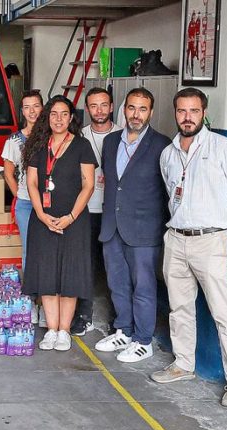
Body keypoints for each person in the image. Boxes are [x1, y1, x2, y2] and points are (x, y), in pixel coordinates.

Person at [151, 88, 227, 408]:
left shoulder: (223, 148)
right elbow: (173, 196)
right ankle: (183, 364)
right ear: (175, 113)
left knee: (224, 312)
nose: (187, 117)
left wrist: (226, 231)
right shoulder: (168, 153)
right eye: (182, 111)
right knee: (180, 308)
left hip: (211, 240)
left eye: (193, 111)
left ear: (204, 112)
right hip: (177, 239)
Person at [93, 88, 171, 363]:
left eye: (142, 109)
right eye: (131, 108)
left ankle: (143, 340)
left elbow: (167, 190)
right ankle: (124, 331)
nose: (136, 115)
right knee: (117, 284)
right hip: (112, 226)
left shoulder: (162, 144)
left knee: (144, 287)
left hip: (144, 229)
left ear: (150, 112)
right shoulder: (112, 141)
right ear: (123, 109)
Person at [22, 95, 96, 352]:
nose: (59, 119)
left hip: (73, 220)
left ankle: (64, 331)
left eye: (64, 114)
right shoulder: (38, 146)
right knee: (47, 274)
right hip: (43, 219)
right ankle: (51, 329)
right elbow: (32, 183)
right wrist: (42, 215)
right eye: (54, 114)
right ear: (47, 117)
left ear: (71, 117)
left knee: (69, 274)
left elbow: (89, 184)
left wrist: (72, 216)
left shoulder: (82, 146)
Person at [74, 87, 122, 336]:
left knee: (115, 266)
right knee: (86, 264)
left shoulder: (124, 136)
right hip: (86, 209)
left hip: (114, 211)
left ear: (112, 107)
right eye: (93, 105)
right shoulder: (79, 137)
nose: (99, 110)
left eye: (104, 105)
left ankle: (118, 320)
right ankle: (83, 316)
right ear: (87, 108)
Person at [2, 90, 44, 325]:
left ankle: (47, 303)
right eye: (27, 107)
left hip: (51, 203)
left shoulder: (52, 136)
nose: (32, 111)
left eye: (36, 106)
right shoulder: (14, 140)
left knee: (49, 252)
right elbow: (8, 171)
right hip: (27, 204)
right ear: (22, 111)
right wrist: (19, 193)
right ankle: (31, 302)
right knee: (29, 253)